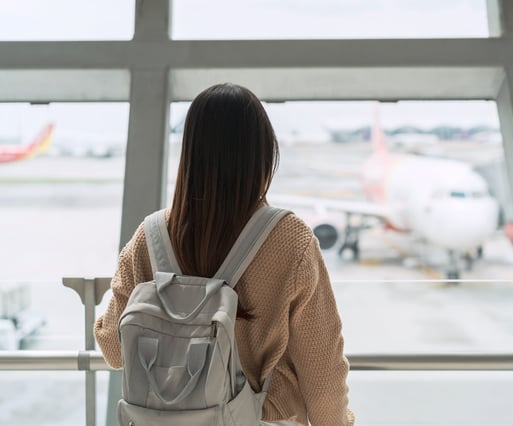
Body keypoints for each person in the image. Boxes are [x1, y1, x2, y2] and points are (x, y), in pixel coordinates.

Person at [94, 83, 355, 426]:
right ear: (262, 155)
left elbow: (113, 348)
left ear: (190, 153)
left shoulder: (151, 237)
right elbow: (323, 378)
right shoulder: (290, 240)